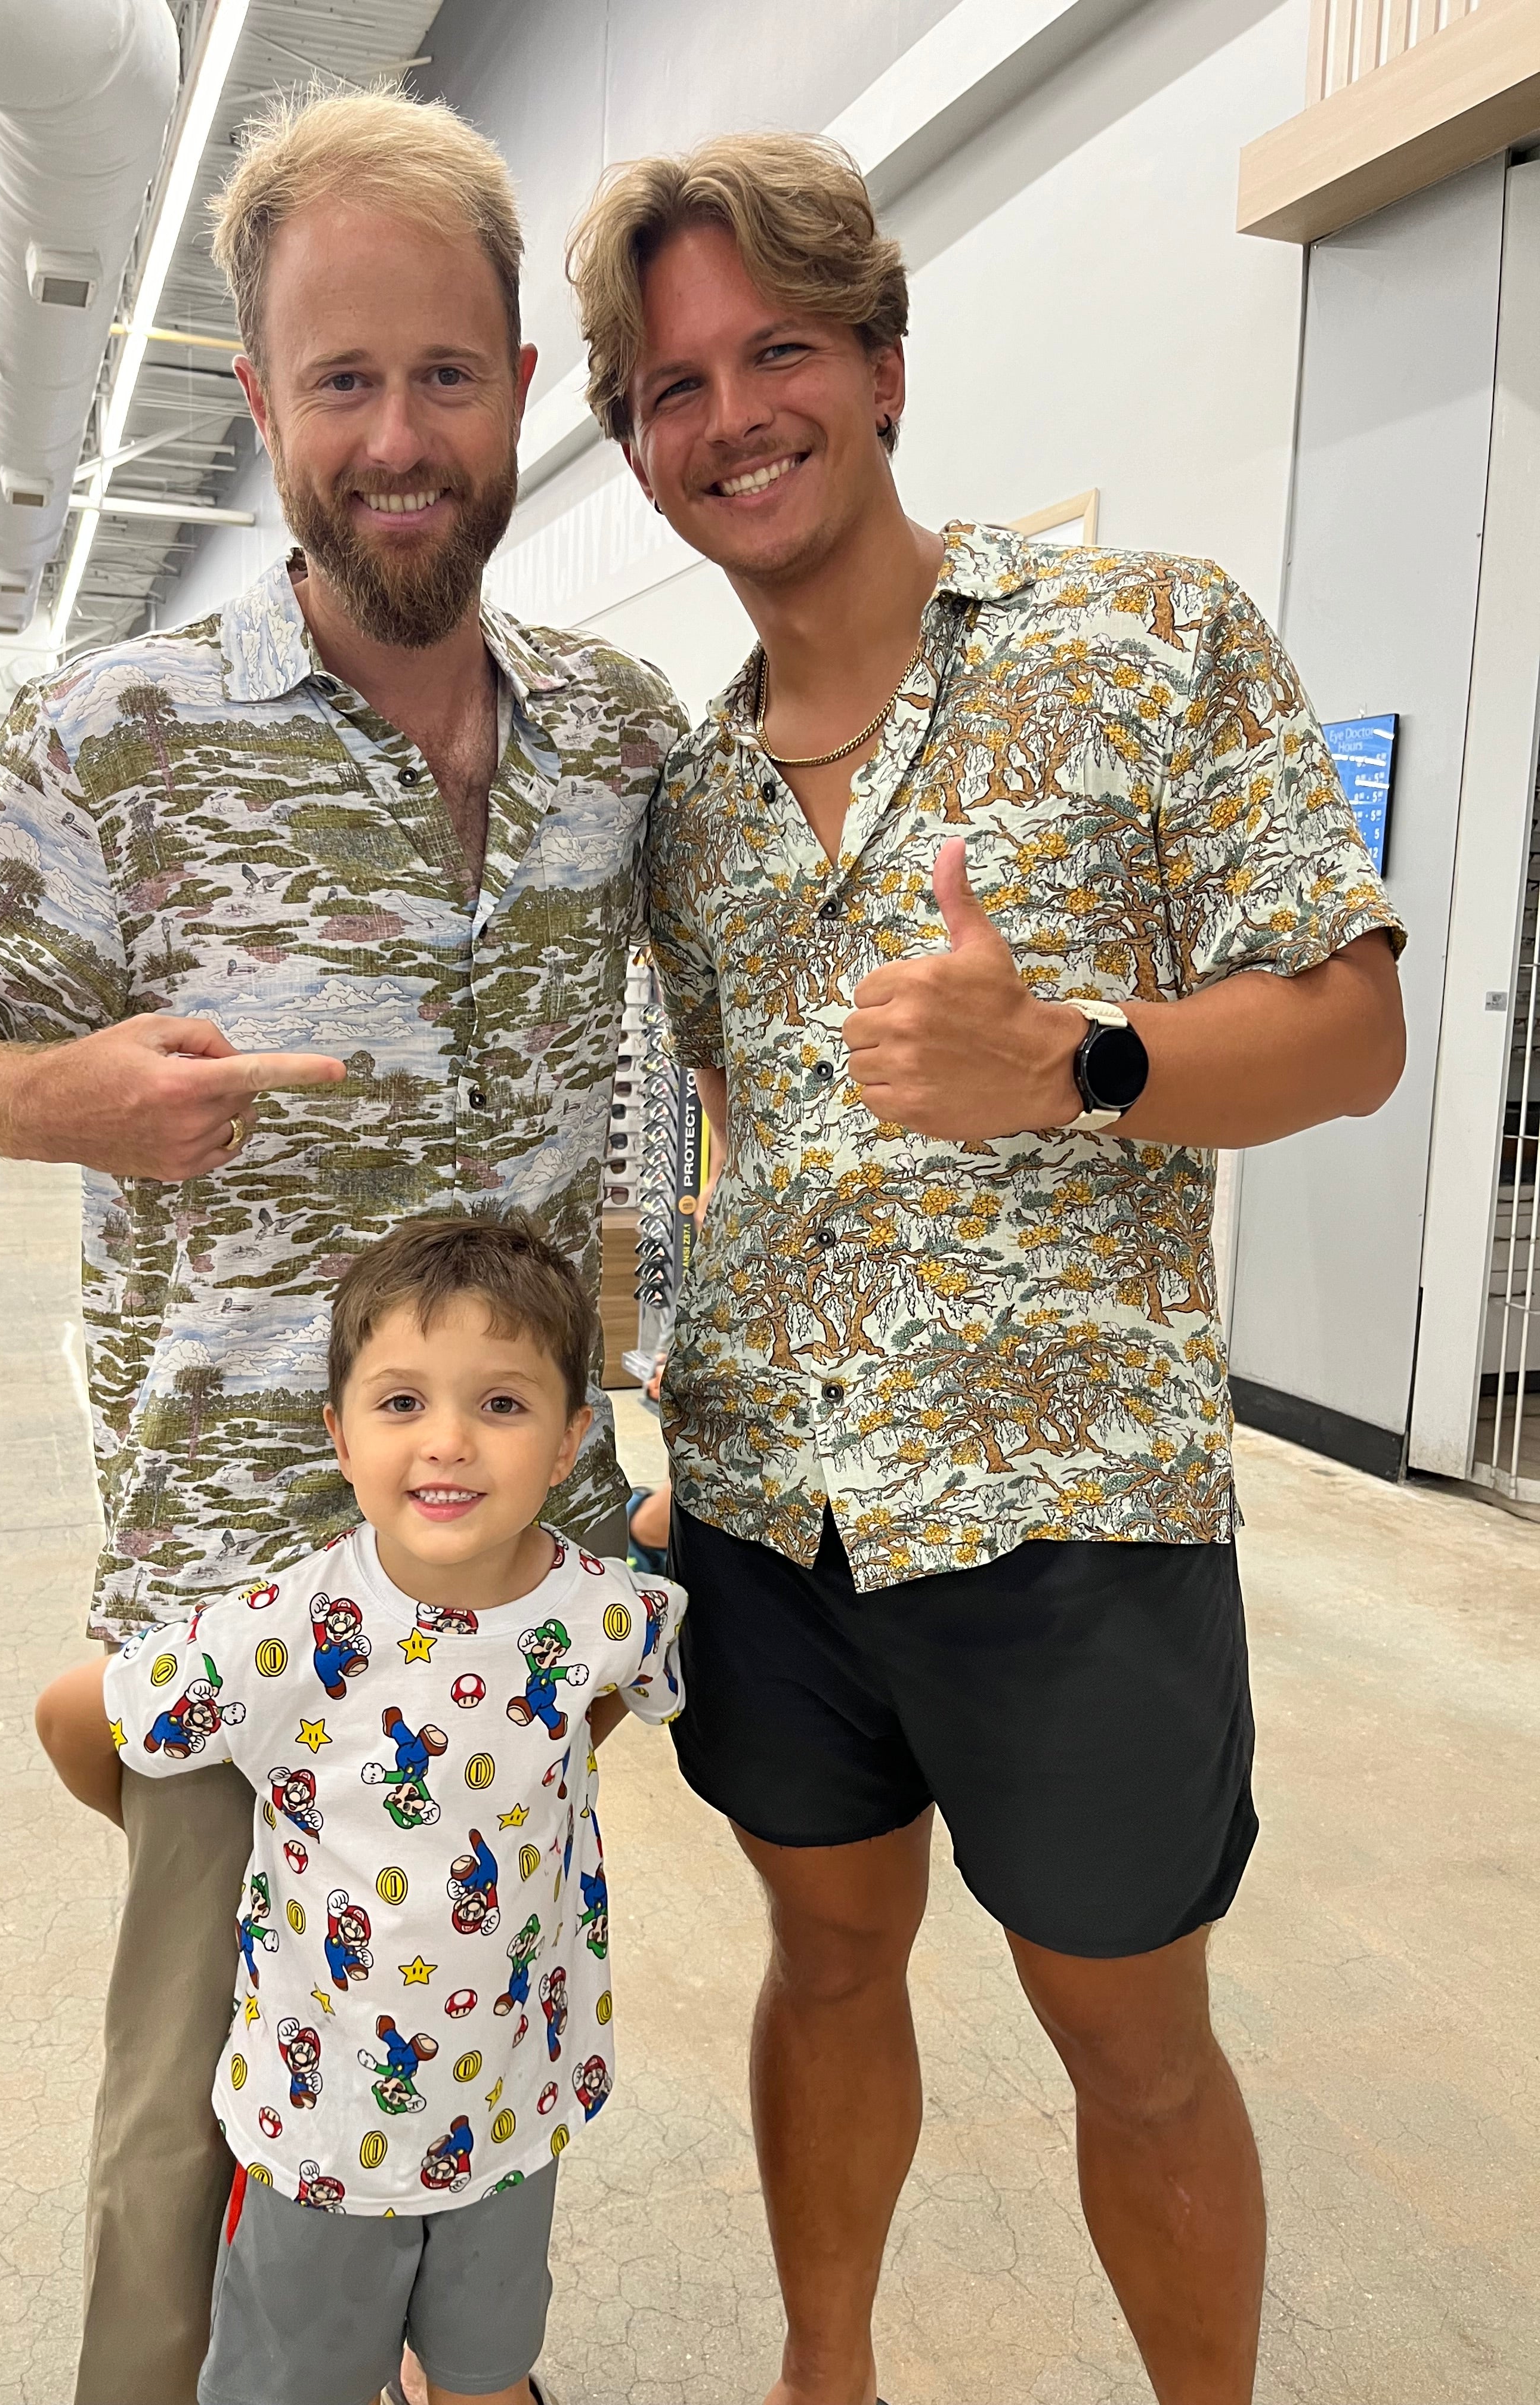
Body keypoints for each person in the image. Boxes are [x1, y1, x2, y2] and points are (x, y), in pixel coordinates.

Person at [0, 86, 682, 2405]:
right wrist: (40, 1093)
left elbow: (714, 1062)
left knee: (473, 2097)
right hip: (232, 1597)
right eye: (342, 381)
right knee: (179, 2149)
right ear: (259, 398)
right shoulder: (128, 736)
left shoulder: (617, 735)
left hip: (510, 1589)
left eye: (446, 375)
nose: (401, 437)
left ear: (518, 378)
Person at [568, 134, 1407, 2405]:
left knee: (1128, 2038)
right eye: (668, 385)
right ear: (631, 442)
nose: (729, 415)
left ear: (883, 366)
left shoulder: (1147, 641)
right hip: (768, 1517)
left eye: (778, 353)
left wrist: (1078, 1059)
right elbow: (748, 1119)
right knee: (822, 1963)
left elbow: (1348, 1029)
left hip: (1069, 1515)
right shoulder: (672, 799)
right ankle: (819, 2367)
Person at [35, 1213, 685, 2405]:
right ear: (338, 1435)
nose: (448, 1443)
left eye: (502, 1404)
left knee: (488, 2368)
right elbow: (82, 1721)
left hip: (509, 2107)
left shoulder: (605, 1613)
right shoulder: (281, 1635)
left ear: (571, 1441)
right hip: (322, 2134)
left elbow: (621, 1689)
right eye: (400, 1404)